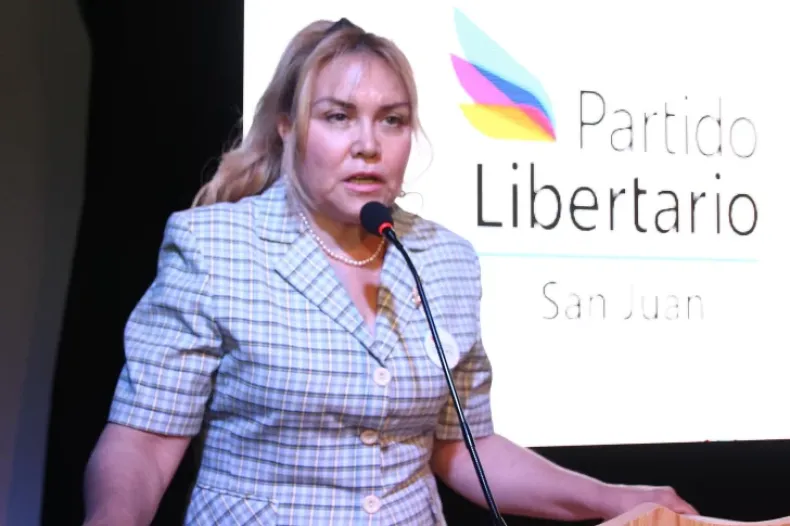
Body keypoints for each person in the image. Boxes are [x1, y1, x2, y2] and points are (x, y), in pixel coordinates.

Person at [83, 17, 698, 525]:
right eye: (338, 116)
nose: (368, 144)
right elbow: (143, 442)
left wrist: (613, 498)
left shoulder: (445, 259)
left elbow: (463, 446)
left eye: (392, 120)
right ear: (288, 126)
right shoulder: (216, 246)